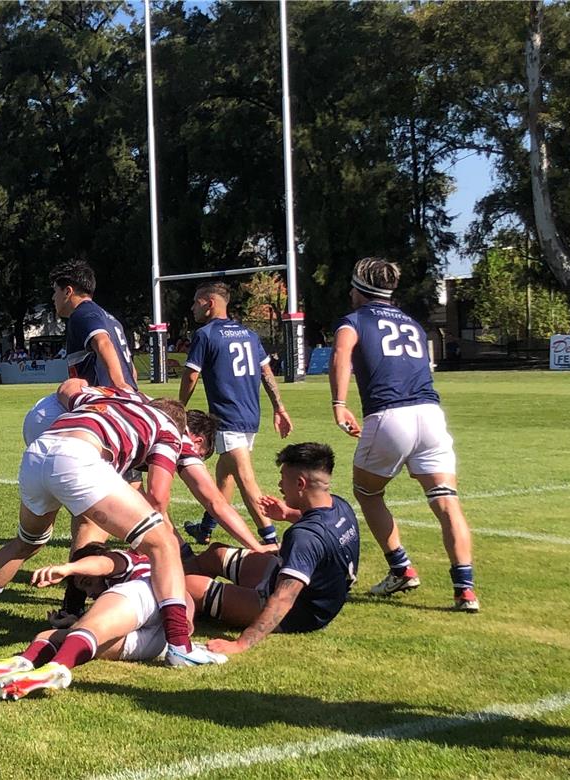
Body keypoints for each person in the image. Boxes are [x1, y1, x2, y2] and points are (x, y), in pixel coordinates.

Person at [0, 379, 222, 667]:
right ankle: (180, 646)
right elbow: (158, 495)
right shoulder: (169, 428)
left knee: (28, 542)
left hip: (39, 451)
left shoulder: (117, 401)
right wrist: (151, 540)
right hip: (78, 458)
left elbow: (68, 389)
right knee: (164, 544)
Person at [331, 257, 479, 612]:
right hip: (430, 414)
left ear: (360, 289)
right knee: (446, 502)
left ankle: (401, 567)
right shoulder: (411, 322)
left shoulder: (355, 319)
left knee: (367, 492)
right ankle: (465, 590)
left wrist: (339, 402)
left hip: (389, 414)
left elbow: (341, 354)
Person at [22, 259, 143, 624]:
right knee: (138, 509)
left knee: (89, 519)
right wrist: (130, 390)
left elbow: (103, 345)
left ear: (68, 291)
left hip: (106, 419)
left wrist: (117, 389)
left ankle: (74, 608)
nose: (54, 300)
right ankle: (152, 583)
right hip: (129, 424)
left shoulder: (83, 315)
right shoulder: (111, 316)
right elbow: (131, 364)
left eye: (55, 292)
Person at [0, 543, 206, 700]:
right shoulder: (113, 595)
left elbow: (105, 562)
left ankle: (55, 668)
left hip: (152, 597)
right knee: (52, 636)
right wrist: (74, 621)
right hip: (157, 644)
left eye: (87, 583)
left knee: (87, 628)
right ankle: (21, 663)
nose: (89, 593)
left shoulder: (128, 562)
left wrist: (68, 568)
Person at [186, 442, 360, 657]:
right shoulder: (339, 506)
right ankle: (173, 597)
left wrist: (240, 644)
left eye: (283, 478)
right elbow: (318, 533)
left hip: (295, 614)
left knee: (188, 585)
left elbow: (283, 598)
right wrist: (287, 514)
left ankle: (166, 610)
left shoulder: (305, 537)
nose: (279, 484)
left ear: (300, 483)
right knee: (215, 553)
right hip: (311, 598)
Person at [178, 281, 293, 547]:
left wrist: (178, 409)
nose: (193, 307)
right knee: (225, 474)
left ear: (209, 303)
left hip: (227, 417)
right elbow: (266, 372)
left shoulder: (206, 335)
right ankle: (206, 529)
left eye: (196, 302)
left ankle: (271, 542)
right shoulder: (249, 334)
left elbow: (191, 375)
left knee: (244, 478)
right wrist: (279, 407)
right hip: (249, 416)